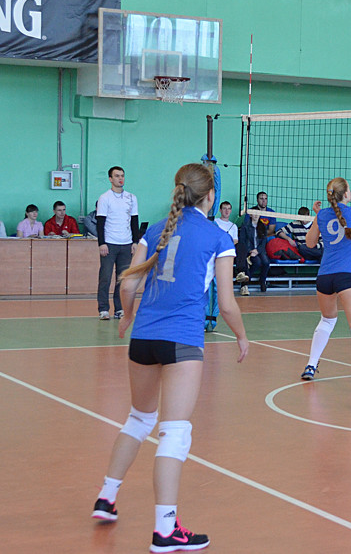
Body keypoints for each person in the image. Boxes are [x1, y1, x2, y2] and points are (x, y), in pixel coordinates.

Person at [90, 163, 249, 553]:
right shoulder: (218, 236)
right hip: (182, 340)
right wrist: (242, 336)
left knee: (139, 419)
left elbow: (129, 282)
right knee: (175, 432)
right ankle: (164, 530)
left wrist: (127, 316)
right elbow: (226, 303)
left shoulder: (156, 228)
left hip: (143, 338)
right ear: (210, 196)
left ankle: (107, 497)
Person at [300, 177, 351, 391]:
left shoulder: (322, 215)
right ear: (346, 194)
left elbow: (309, 243)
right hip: (347, 275)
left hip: (325, 277)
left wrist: (317, 217)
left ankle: (311, 365)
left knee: (327, 321)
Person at [97, 166, 139, 320]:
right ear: (110, 179)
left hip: (126, 244)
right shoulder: (105, 198)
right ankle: (103, 309)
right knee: (105, 277)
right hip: (109, 243)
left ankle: (119, 308)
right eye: (116, 176)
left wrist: (135, 241)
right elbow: (100, 222)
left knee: (122, 279)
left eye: (122, 175)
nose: (120, 178)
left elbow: (134, 221)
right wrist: (102, 243)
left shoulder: (131, 198)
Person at [237, 212, 270, 295]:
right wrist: (250, 251)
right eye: (254, 213)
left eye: (257, 214)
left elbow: (263, 242)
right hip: (249, 250)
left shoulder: (263, 226)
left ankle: (262, 281)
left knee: (266, 262)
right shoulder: (245, 226)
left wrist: (257, 251)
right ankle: (246, 282)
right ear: (250, 215)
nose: (256, 215)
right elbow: (242, 241)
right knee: (257, 262)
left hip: (259, 250)